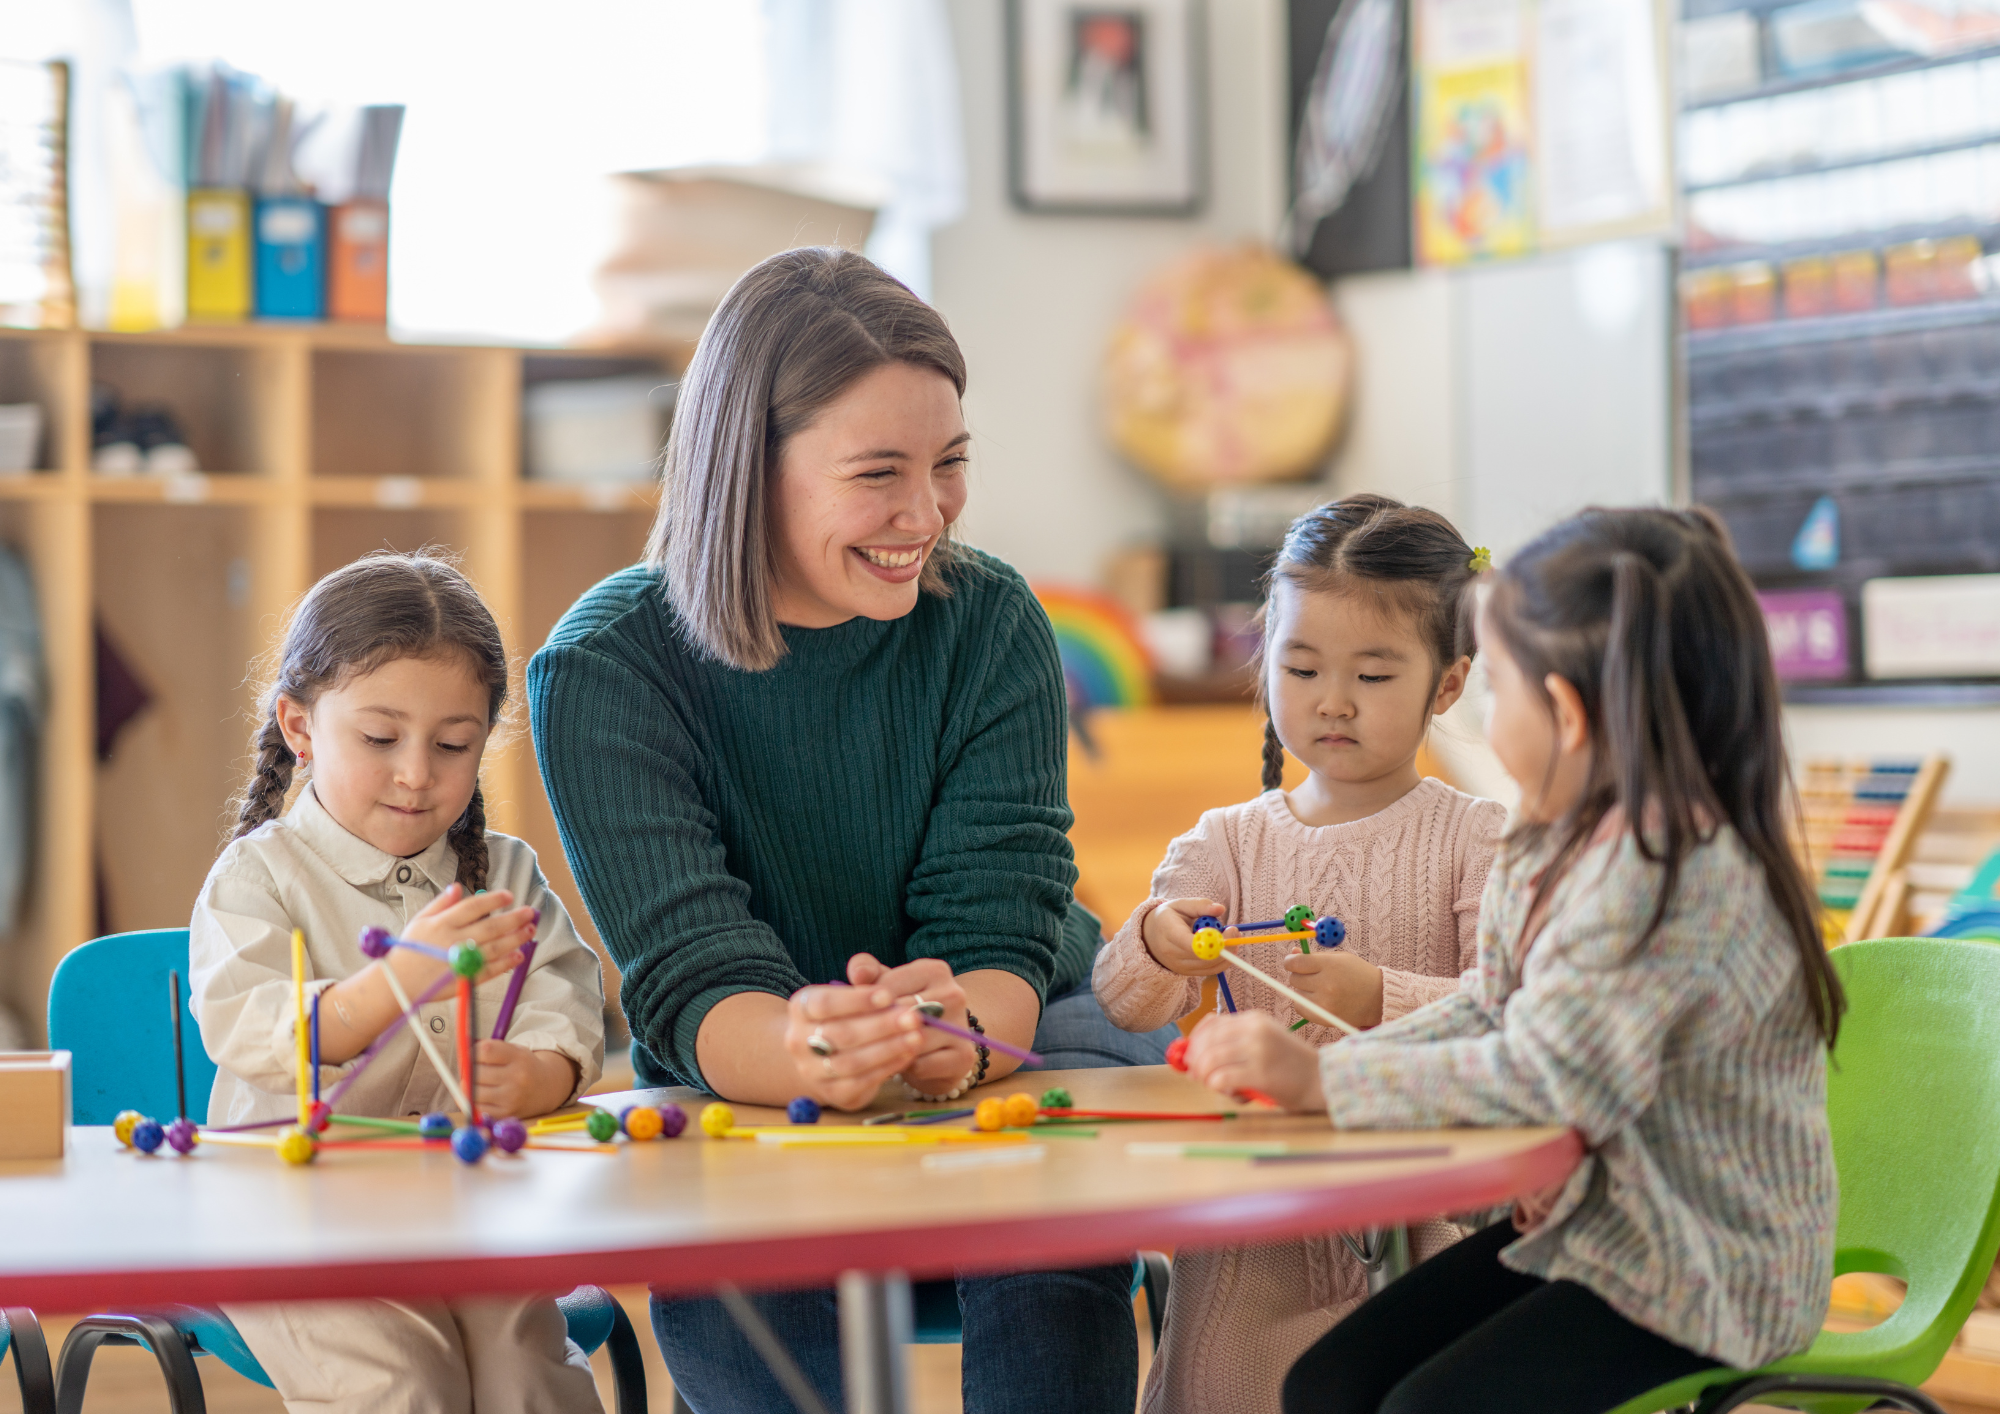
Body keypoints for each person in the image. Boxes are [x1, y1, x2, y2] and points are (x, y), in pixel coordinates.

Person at [527, 246, 1173, 1414]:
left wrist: (960, 1037)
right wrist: (819, 1055)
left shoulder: (989, 623)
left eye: (950, 464)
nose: (924, 514)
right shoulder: (605, 666)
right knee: (749, 1276)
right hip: (749, 1073)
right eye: (878, 472)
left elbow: (1003, 922)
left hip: (1002, 1031)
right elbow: (692, 976)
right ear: (746, 469)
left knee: (1049, 1238)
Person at [1180, 508, 1843, 1414]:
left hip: (1702, 1273)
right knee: (1328, 1384)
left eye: (1503, 688)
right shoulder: (1554, 838)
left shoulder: (1673, 874)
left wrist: (1326, 1087)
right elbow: (1496, 1007)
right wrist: (1332, 1067)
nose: (1487, 713)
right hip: (1601, 1235)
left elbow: (1551, 1078)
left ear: (1563, 713)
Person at [1095, 495, 1506, 1414]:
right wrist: (1162, 943)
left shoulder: (1475, 836)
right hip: (1254, 1245)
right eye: (1303, 665)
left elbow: (1511, 1010)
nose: (1332, 701)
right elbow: (1124, 1001)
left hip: (1425, 1226)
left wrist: (1378, 997)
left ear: (1446, 686)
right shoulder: (1227, 841)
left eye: (1373, 674)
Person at [189, 552, 607, 1414]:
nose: (418, 773)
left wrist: (542, 1072)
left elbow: (564, 999)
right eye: (380, 739)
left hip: (461, 1205)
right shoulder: (256, 877)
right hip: (285, 1219)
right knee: (404, 1383)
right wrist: (402, 977)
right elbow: (255, 1028)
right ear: (301, 729)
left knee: (528, 1373)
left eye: (453, 745)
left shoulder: (506, 875)